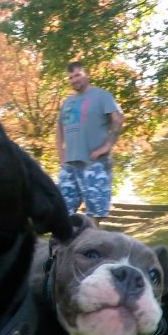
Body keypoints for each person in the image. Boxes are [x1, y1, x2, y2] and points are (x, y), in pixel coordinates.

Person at [56, 61, 125, 226]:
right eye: (71, 77)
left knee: (95, 212)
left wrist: (107, 146)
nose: (74, 80)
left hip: (94, 163)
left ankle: (92, 247)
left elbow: (118, 119)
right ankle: (64, 249)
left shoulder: (102, 96)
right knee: (61, 210)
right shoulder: (67, 102)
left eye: (78, 75)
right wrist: (61, 154)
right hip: (70, 165)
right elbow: (59, 127)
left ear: (86, 75)